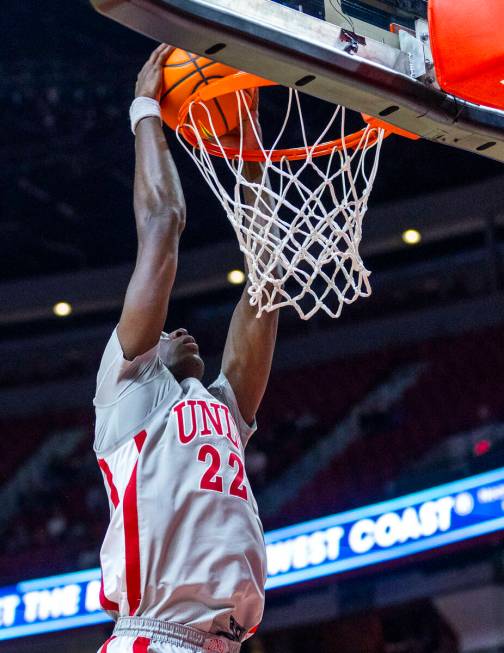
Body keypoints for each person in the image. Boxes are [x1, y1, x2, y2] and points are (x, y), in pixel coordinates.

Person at [93, 45, 279, 653]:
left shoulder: (222, 410)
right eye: (167, 332)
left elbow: (266, 284)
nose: (180, 331)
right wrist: (146, 109)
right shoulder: (127, 397)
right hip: (156, 638)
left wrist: (251, 155)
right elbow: (163, 226)